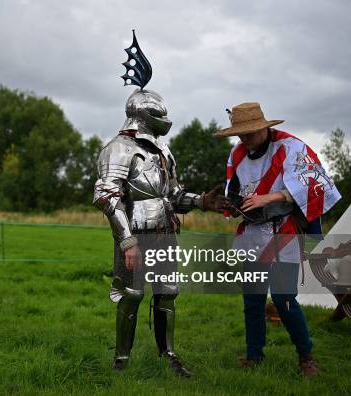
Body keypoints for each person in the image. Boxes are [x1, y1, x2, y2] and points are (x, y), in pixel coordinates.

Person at [93, 31, 226, 377]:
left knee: (167, 292)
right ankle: (121, 359)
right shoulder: (118, 148)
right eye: (158, 115)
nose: (164, 121)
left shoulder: (163, 150)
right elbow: (107, 196)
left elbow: (173, 195)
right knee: (132, 295)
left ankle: (168, 353)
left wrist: (202, 201)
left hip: (166, 232)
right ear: (143, 116)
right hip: (135, 233)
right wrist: (127, 240)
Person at [215, 102, 341, 377]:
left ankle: (306, 356)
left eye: (249, 133)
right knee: (253, 300)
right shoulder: (237, 154)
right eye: (240, 134)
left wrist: (271, 196)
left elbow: (317, 185)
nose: (244, 139)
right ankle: (254, 356)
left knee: (284, 299)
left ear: (263, 127)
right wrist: (226, 203)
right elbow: (234, 192)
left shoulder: (290, 147)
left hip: (283, 232)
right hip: (252, 234)